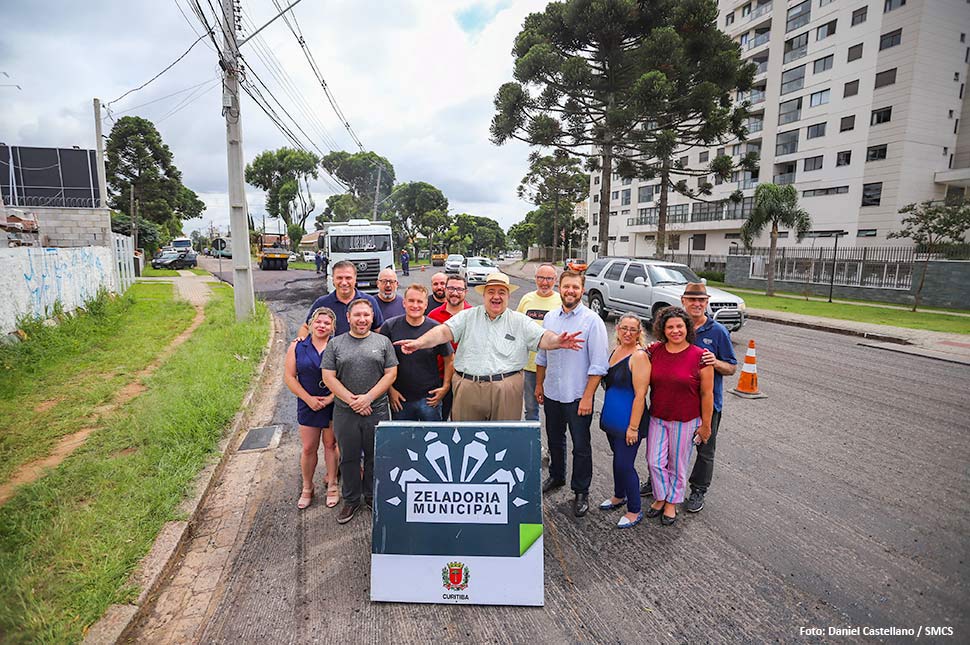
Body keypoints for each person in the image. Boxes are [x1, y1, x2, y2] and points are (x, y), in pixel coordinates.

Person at [395, 273, 584, 422]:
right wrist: (419, 343)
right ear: (484, 295)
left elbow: (543, 337)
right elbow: (443, 332)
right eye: (491, 291)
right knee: (465, 441)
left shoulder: (520, 321)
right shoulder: (467, 316)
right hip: (467, 388)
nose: (496, 296)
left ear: (508, 296)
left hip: (506, 390)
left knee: (502, 444)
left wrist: (558, 341)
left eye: (501, 292)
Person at [640, 283, 738, 512]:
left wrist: (716, 363)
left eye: (701, 300)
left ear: (707, 301)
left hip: (707, 402)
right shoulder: (666, 336)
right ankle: (658, 486)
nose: (697, 304)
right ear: (683, 301)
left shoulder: (717, 331)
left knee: (704, 449)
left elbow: (732, 367)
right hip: (669, 404)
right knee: (663, 453)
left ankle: (697, 490)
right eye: (692, 300)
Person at [535, 270, 608, 518]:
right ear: (560, 287)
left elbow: (598, 365)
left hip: (578, 395)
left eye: (575, 287)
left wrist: (588, 397)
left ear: (582, 290)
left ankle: (581, 491)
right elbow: (542, 355)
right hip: (553, 392)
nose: (570, 291)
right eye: (566, 286)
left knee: (581, 446)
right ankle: (556, 476)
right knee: (555, 439)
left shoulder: (592, 321)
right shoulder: (550, 318)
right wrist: (539, 385)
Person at [322, 299, 398, 524]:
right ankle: (351, 499)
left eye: (366, 315)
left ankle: (372, 496)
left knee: (376, 457)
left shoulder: (383, 342)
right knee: (349, 457)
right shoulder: (335, 344)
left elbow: (390, 374)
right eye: (357, 315)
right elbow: (328, 376)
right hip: (345, 412)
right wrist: (352, 400)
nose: (362, 319)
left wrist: (368, 398)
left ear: (372, 317)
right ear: (348, 317)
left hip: (377, 410)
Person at [644, 307, 714, 526]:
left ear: (687, 328)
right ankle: (661, 495)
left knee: (677, 464)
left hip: (686, 420)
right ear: (662, 330)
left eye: (679, 326)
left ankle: (671, 502)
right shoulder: (654, 351)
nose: (675, 331)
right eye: (670, 327)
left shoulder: (701, 356)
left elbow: (707, 393)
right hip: (658, 417)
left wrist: (706, 426)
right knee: (654, 462)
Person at [598, 314, 651, 529]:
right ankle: (619, 496)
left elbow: (640, 395)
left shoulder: (639, 356)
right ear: (617, 329)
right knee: (617, 460)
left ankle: (635, 509)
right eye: (624, 328)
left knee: (625, 464)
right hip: (612, 419)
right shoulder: (614, 351)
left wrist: (633, 427)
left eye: (633, 330)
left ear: (639, 333)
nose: (628, 333)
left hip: (630, 422)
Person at [284, 306, 339, 509]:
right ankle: (307, 487)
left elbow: (344, 377)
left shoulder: (337, 346)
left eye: (327, 323)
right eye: (318, 322)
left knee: (331, 445)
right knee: (308, 448)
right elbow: (289, 377)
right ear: (310, 324)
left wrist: (331, 398)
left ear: (333, 327)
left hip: (332, 403)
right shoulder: (297, 347)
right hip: (307, 403)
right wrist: (308, 399)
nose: (322, 326)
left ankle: (333, 484)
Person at [380, 284, 454, 421]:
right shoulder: (390, 327)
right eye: (411, 301)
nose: (415, 305)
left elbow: (449, 358)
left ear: (426, 304)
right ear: (404, 302)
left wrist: (445, 387)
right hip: (400, 399)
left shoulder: (436, 329)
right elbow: (381, 362)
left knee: (433, 439)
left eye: (420, 301)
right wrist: (390, 390)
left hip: (429, 398)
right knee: (405, 440)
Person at [517, 263, 561, 422]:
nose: (544, 282)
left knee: (554, 412)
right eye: (541, 278)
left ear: (555, 280)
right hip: (529, 366)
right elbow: (517, 328)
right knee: (531, 409)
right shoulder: (526, 299)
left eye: (549, 278)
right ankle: (533, 445)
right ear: (535, 278)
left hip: (554, 366)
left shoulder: (561, 300)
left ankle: (554, 446)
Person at [428, 275, 472, 420]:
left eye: (459, 289)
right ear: (446, 290)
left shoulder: (474, 315)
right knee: (439, 422)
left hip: (467, 379)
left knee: (463, 423)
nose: (454, 292)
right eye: (451, 288)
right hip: (439, 378)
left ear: (466, 292)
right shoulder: (433, 316)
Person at [302, 260, 383, 337]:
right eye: (339, 278)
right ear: (333, 279)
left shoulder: (370, 302)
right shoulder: (321, 303)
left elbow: (379, 330)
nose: (344, 283)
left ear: (355, 279)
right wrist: (300, 345)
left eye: (348, 278)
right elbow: (306, 328)